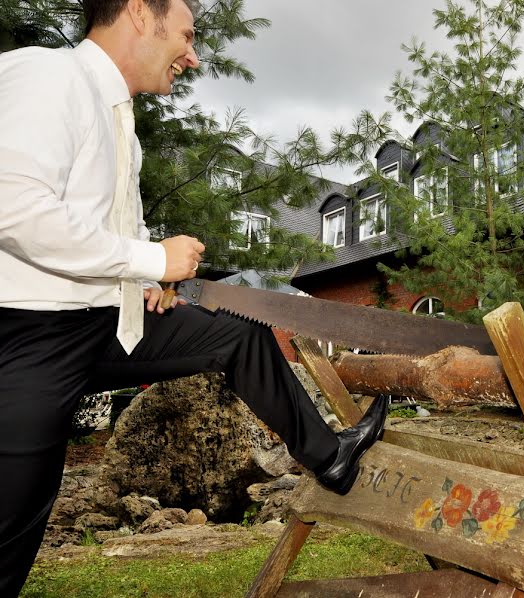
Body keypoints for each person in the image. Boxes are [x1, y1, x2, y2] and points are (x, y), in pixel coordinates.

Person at [0, 1, 387, 594]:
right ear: (137, 13)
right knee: (13, 530)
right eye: (185, 35)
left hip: (106, 323)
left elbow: (102, 236)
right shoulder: (48, 76)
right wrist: (151, 258)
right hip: (29, 337)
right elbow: (16, 211)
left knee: (238, 331)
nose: (193, 54)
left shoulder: (121, 121)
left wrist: (144, 283)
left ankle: (328, 455)